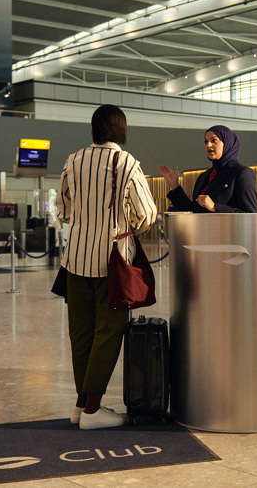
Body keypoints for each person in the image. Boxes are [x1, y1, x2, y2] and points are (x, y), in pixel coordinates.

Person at [56, 104, 157, 430]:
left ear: (94, 130)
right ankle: (92, 410)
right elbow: (147, 214)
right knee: (108, 333)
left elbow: (62, 208)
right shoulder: (126, 163)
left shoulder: (73, 160)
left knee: (80, 333)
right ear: (121, 130)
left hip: (75, 259)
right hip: (112, 261)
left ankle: (80, 404)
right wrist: (127, 225)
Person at [158, 125, 257, 213]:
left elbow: (250, 214)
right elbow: (193, 211)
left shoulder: (242, 173)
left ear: (227, 143)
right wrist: (175, 186)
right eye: (206, 142)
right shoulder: (203, 176)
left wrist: (215, 207)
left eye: (214, 140)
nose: (208, 145)